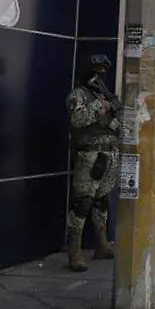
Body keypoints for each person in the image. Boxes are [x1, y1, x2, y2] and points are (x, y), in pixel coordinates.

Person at [65, 54, 122, 272]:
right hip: (88, 155)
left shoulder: (108, 96)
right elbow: (77, 120)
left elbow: (118, 126)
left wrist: (115, 111)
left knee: (102, 201)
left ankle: (102, 244)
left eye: (103, 70)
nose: (101, 74)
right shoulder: (78, 95)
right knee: (83, 202)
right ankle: (75, 251)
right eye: (97, 69)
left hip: (110, 155)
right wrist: (99, 106)